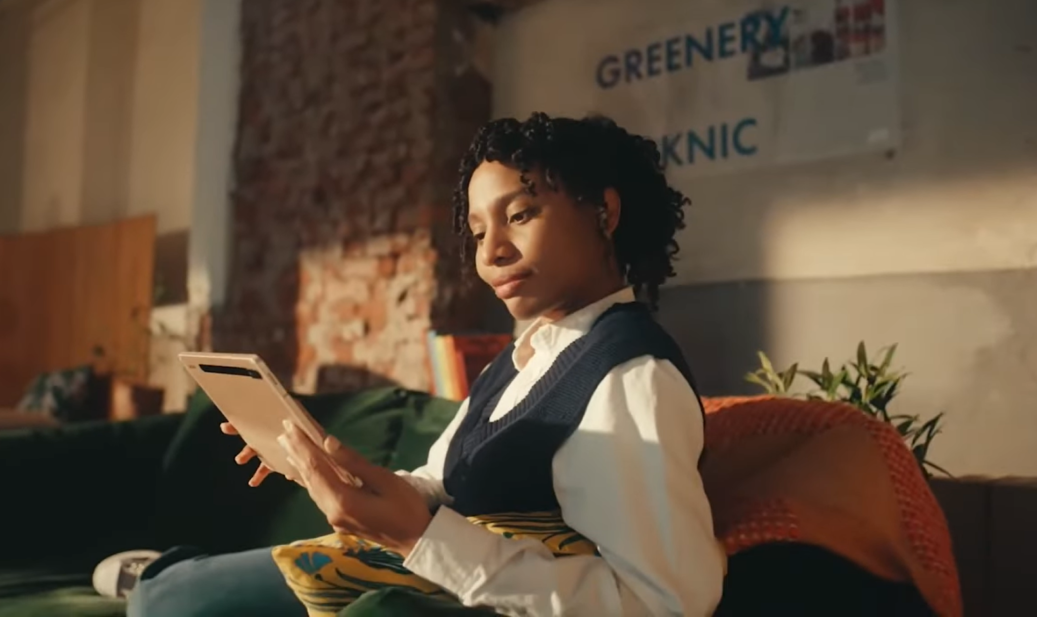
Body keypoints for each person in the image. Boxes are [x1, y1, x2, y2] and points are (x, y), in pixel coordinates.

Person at [117, 112, 726, 616]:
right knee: (173, 594)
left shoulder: (628, 378)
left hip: (430, 589)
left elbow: (664, 604)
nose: (493, 253)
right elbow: (441, 483)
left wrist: (419, 537)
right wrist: (330, 471)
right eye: (478, 230)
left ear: (605, 213)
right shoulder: (526, 356)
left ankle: (156, 577)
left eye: (519, 215)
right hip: (415, 574)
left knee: (166, 600)